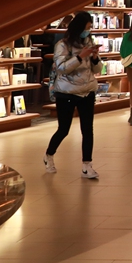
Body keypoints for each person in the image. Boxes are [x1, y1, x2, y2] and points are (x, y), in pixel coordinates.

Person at [44, 11, 100, 179]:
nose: (88, 32)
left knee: (87, 129)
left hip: (87, 91)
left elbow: (96, 70)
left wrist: (95, 58)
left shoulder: (88, 42)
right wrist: (80, 57)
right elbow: (61, 68)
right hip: (66, 92)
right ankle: (49, 155)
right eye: (87, 28)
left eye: (90, 28)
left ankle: (87, 165)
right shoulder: (62, 45)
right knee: (64, 129)